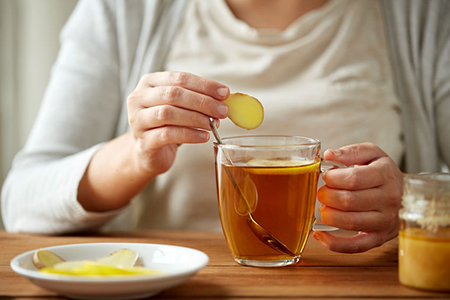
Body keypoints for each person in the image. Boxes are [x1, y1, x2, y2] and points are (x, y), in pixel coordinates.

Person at [1, 0, 449, 254]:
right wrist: (136, 154)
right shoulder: (123, 11)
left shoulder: (423, 16)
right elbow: (21, 202)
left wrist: (415, 201)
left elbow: (423, 201)